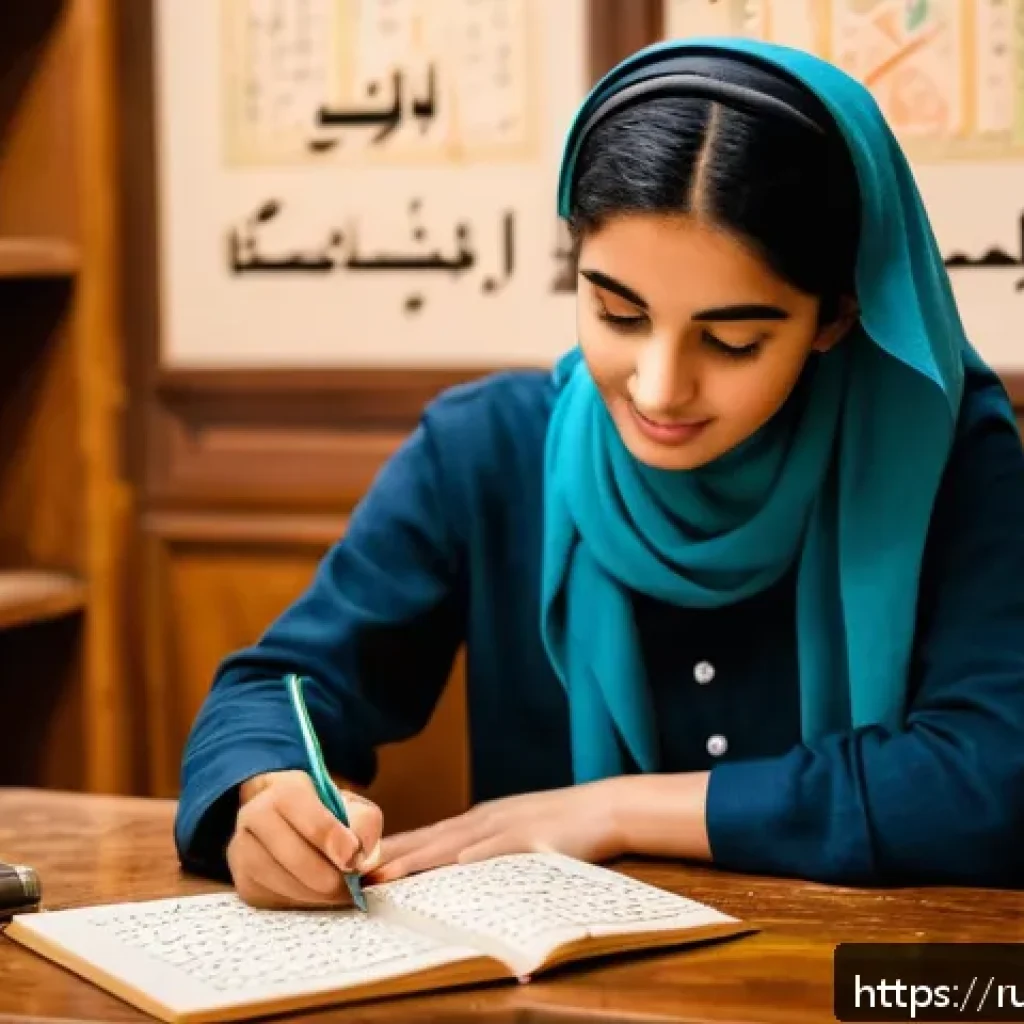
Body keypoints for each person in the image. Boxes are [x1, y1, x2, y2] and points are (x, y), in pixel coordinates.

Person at [174, 37, 1024, 908]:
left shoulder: (951, 461)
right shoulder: (486, 449)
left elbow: (994, 781)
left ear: (834, 317)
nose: (659, 387)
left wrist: (617, 811)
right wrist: (271, 793)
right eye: (618, 313)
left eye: (732, 341)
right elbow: (276, 691)